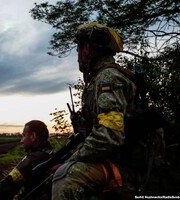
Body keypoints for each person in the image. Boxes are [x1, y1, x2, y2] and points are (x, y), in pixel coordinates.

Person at [51, 22, 137, 199]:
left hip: (123, 164)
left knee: (65, 179)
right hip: (112, 158)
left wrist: (73, 159)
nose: (78, 56)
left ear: (87, 47)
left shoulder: (108, 77)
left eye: (78, 49)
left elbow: (109, 135)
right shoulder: (100, 78)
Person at [0, 120, 53, 200]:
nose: (21, 141)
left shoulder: (34, 159)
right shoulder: (50, 154)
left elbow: (8, 184)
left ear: (33, 136)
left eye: (24, 136)